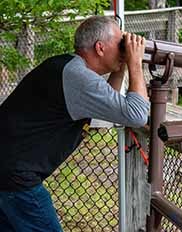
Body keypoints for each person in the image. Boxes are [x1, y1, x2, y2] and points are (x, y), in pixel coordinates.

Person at [0, 16, 150, 231]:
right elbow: (136, 115)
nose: (124, 49)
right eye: (120, 45)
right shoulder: (77, 76)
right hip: (15, 176)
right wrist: (135, 63)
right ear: (100, 47)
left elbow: (109, 108)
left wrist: (121, 67)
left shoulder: (68, 67)